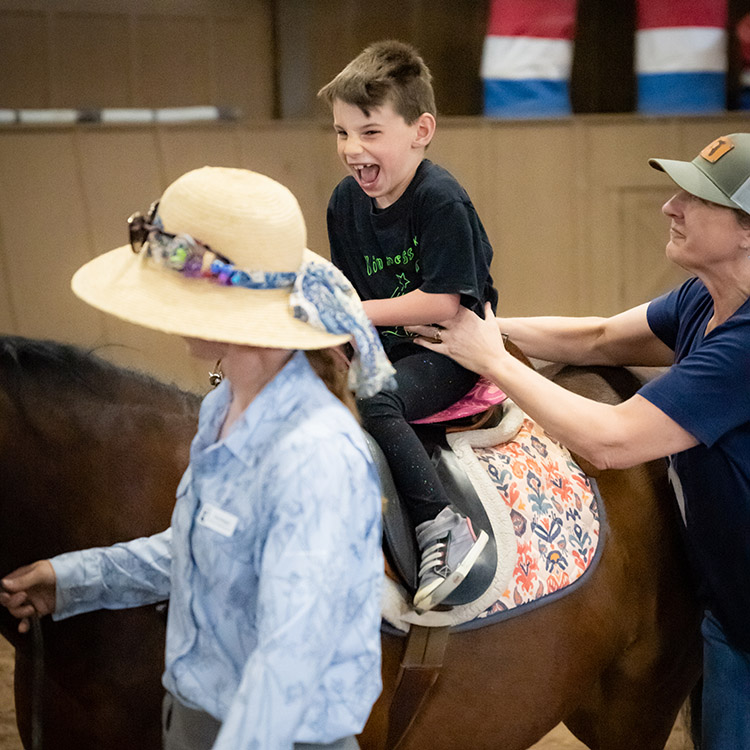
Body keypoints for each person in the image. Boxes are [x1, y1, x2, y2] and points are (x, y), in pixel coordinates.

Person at [0, 167, 394, 750]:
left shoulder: (314, 457)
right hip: (197, 718)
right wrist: (73, 580)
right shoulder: (222, 408)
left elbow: (290, 661)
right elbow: (197, 548)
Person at [409, 133, 750, 749]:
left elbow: (614, 442)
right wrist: (466, 326)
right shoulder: (707, 299)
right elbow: (596, 337)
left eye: (697, 197)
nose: (670, 206)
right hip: (730, 603)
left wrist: (494, 361)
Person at [317, 40, 499, 613]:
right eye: (342, 133)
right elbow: (350, 292)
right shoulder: (344, 203)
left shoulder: (441, 199)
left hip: (450, 353)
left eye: (370, 132)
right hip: (386, 346)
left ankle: (442, 526)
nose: (351, 149)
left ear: (421, 130)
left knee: (377, 402)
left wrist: (352, 316)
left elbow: (446, 302)